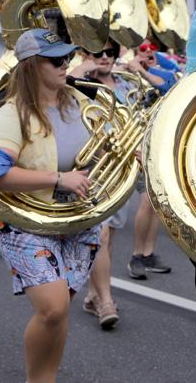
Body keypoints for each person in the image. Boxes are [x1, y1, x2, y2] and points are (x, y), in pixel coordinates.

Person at [0, 28, 99, 382]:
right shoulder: (11, 114)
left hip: (77, 218)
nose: (66, 65)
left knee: (59, 310)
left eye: (68, 57)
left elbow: (96, 149)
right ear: (32, 66)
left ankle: (48, 376)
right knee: (52, 308)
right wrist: (58, 179)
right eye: (56, 60)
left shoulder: (78, 102)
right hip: (27, 221)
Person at [69, 39, 142, 330]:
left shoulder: (126, 85)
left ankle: (93, 293)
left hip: (121, 169)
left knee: (109, 236)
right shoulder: (81, 84)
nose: (105, 58)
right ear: (87, 55)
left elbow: (139, 120)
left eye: (110, 53)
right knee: (101, 235)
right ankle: (105, 301)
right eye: (98, 53)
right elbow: (66, 84)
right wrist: (83, 65)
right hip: (92, 168)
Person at [126, 39, 178, 279]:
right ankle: (136, 256)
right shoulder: (126, 70)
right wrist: (133, 66)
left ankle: (148, 254)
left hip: (158, 145)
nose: (146, 56)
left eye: (150, 53)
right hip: (138, 144)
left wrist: (146, 68)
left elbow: (170, 84)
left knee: (156, 203)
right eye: (142, 52)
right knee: (147, 201)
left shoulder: (155, 70)